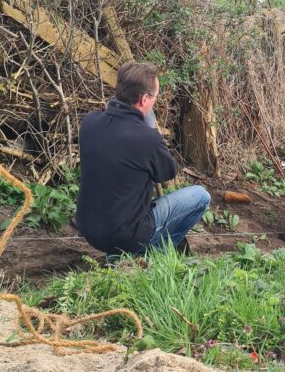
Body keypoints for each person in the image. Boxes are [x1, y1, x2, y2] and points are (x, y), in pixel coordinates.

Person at [76, 61, 210, 258]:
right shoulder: (146, 139)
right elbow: (168, 172)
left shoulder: (89, 123)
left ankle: (117, 256)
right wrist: (153, 134)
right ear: (145, 99)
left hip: (90, 229)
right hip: (125, 235)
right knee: (201, 196)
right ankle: (155, 256)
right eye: (155, 96)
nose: (156, 101)